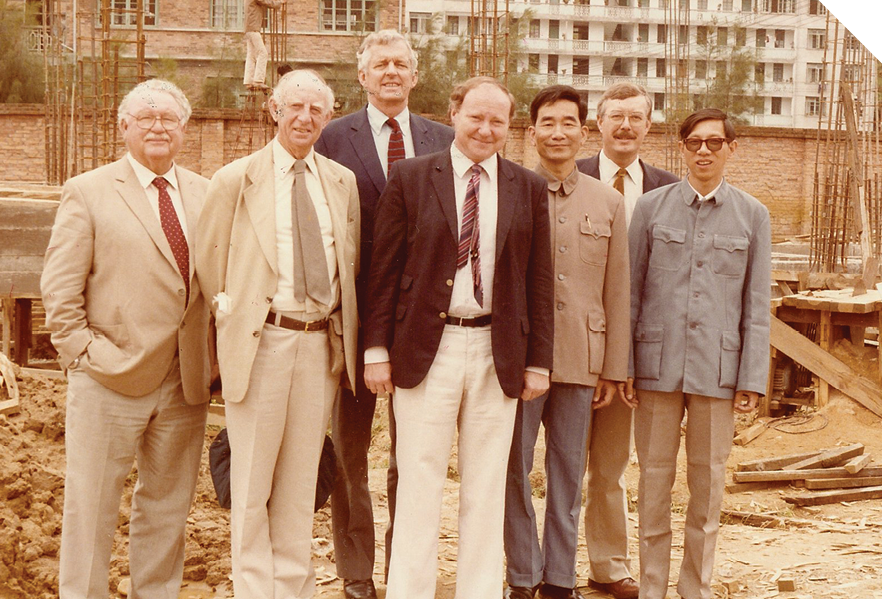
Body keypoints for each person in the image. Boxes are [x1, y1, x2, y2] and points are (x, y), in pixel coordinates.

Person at [363, 76, 554, 599]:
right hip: (427, 348)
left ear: (508, 127)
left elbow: (538, 278)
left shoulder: (527, 187)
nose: (486, 129)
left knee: (486, 488)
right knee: (418, 482)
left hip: (498, 351)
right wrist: (375, 348)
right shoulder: (411, 177)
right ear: (454, 113)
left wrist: (540, 360)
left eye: (497, 120)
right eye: (476, 117)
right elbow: (383, 269)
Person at [42, 79, 211, 599]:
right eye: (147, 117)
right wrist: (84, 353)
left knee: (166, 508)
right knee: (91, 505)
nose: (159, 127)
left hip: (184, 384)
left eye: (170, 119)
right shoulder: (88, 191)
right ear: (124, 126)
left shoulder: (206, 194)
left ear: (184, 129)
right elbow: (60, 288)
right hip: (107, 379)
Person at [195, 69, 360, 599]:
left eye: (316, 109)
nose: (304, 117)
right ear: (273, 108)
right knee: (250, 483)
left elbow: (346, 267)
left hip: (318, 347)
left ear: (328, 117)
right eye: (295, 106)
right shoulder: (235, 180)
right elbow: (211, 266)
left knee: (299, 481)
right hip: (261, 344)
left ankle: (295, 588)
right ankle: (253, 589)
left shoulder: (340, 182)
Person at [314, 29, 454, 599]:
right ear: (363, 76)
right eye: (380, 65)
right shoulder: (328, 138)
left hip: (421, 318)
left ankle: (405, 566)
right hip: (351, 315)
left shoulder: (445, 138)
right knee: (350, 448)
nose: (391, 72)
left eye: (401, 64)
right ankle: (356, 570)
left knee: (413, 451)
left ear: (415, 76)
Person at [627, 108, 770, 599]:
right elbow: (630, 292)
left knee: (708, 486)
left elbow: (755, 303)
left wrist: (752, 376)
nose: (704, 150)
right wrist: (625, 367)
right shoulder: (651, 207)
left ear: (733, 147)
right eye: (694, 142)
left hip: (718, 371)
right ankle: (651, 587)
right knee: (653, 483)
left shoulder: (752, 214)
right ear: (682, 148)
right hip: (655, 368)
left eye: (714, 142)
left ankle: (696, 588)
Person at [503, 85, 630, 599]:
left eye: (568, 123)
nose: (558, 133)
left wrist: (613, 368)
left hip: (582, 358)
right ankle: (522, 574)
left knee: (568, 472)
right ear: (531, 132)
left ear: (584, 130)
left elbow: (617, 289)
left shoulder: (609, 201)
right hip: (518, 360)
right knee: (513, 468)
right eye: (547, 123)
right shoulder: (509, 190)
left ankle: (559, 577)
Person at [576, 82, 678, 599]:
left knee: (610, 466)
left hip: (634, 350)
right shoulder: (569, 179)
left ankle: (608, 566)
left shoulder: (668, 189)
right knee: (562, 463)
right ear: (598, 123)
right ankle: (544, 567)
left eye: (636, 117)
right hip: (574, 345)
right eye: (616, 116)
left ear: (648, 125)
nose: (625, 126)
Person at [243, 0, 281, 90]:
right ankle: (258, 81)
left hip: (249, 29)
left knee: (251, 55)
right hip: (254, 29)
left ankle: (248, 81)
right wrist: (279, 2)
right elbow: (267, 2)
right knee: (263, 53)